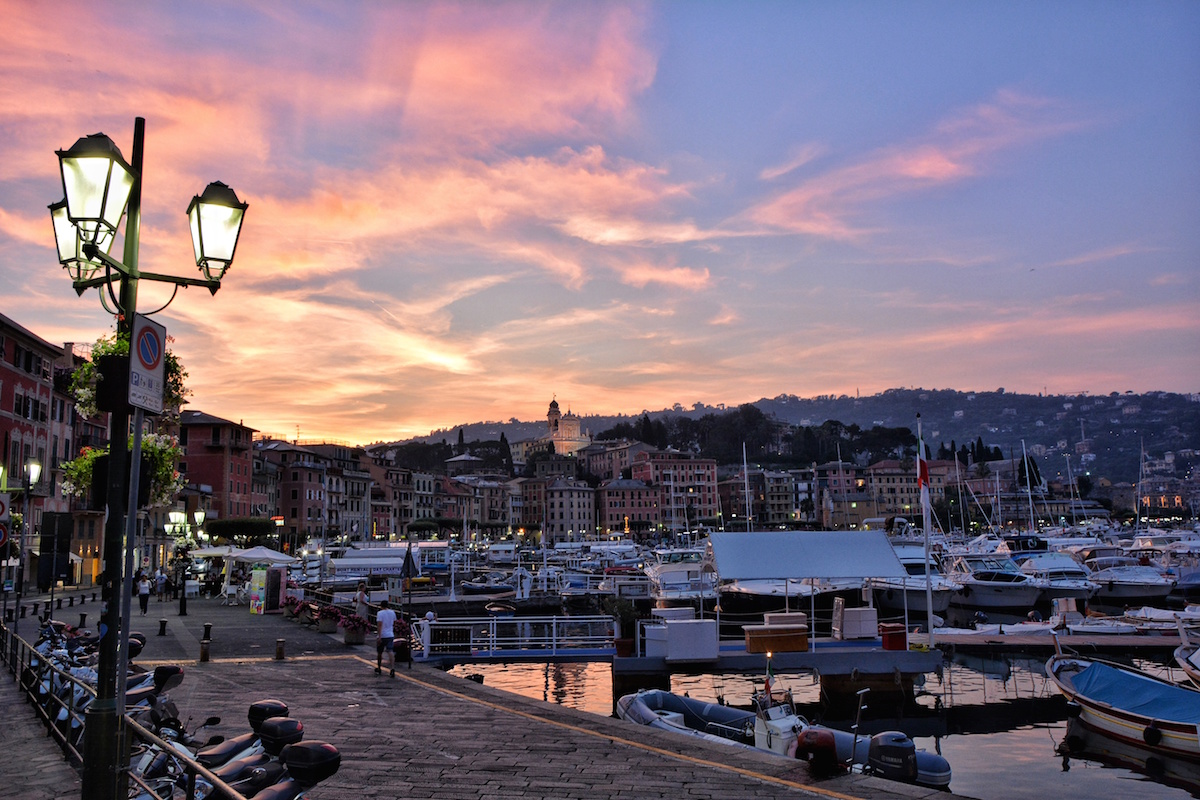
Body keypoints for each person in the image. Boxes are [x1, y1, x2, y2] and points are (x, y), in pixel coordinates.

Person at [375, 599, 397, 677]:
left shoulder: (380, 613)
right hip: (390, 634)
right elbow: (394, 623)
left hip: (383, 635)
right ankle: (392, 668)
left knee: (380, 652)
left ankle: (379, 667)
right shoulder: (392, 612)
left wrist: (379, 636)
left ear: (381, 606)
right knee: (390, 651)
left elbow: (379, 625)